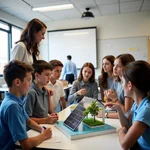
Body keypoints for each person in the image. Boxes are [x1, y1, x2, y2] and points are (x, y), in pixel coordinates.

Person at [0, 60, 52, 150]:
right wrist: (44, 135)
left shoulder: (14, 101)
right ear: (17, 82)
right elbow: (26, 145)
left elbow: (28, 121)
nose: (30, 84)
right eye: (28, 80)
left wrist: (41, 129)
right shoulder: (13, 106)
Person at [106, 60, 150, 150]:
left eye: (122, 82)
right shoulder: (137, 104)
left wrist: (120, 132)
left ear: (129, 85)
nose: (122, 85)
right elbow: (127, 125)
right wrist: (118, 109)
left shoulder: (146, 110)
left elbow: (125, 144)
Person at [24, 60, 58, 124]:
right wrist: (46, 120)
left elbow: (50, 111)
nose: (49, 78)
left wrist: (49, 96)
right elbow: (26, 119)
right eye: (47, 75)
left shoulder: (45, 90)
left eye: (50, 75)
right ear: (37, 75)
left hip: (43, 126)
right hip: (32, 130)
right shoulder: (31, 93)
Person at [103, 53, 135, 119]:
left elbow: (127, 113)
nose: (114, 68)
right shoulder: (117, 81)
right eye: (114, 65)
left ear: (127, 68)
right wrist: (109, 98)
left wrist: (104, 114)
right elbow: (119, 103)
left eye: (119, 66)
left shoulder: (128, 85)